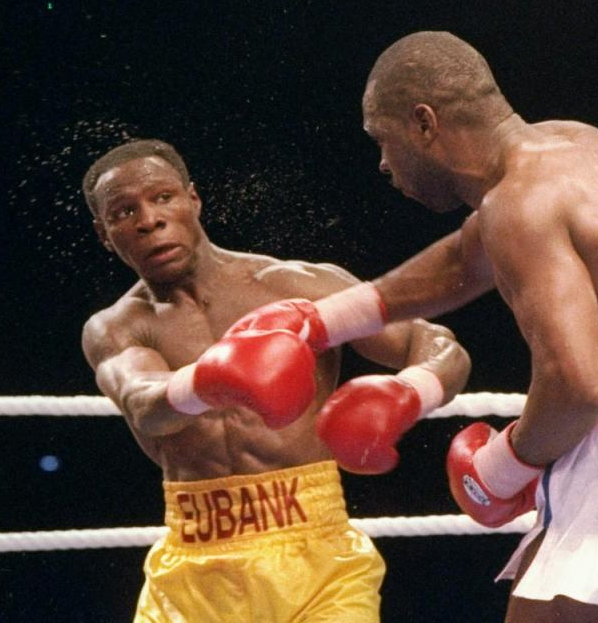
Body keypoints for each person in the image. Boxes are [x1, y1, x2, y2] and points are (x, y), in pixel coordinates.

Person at [228, 32, 598, 622]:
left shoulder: (515, 205)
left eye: (383, 138)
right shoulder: (582, 142)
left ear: (425, 124)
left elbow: (579, 383)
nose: (381, 162)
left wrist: (499, 468)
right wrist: (318, 322)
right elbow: (459, 261)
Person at [79, 138, 471, 623]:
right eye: (123, 212)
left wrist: (411, 393)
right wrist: (210, 380)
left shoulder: (297, 287)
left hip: (320, 560)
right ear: (104, 232)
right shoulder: (116, 327)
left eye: (163, 197)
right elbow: (144, 404)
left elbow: (435, 344)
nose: (148, 220)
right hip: (192, 574)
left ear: (193, 199)